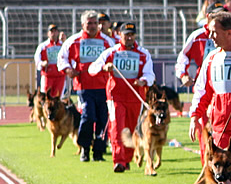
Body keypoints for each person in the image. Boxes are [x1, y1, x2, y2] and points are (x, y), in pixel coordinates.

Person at [189, 12, 231, 172]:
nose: (210, 36)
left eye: (214, 32)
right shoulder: (211, 59)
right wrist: (194, 116)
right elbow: (201, 91)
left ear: (229, 33)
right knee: (223, 175)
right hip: (221, 128)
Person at [88, 23, 155, 173]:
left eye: (132, 34)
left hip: (135, 97)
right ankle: (118, 160)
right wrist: (104, 68)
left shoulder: (144, 54)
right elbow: (92, 68)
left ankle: (127, 159)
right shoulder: (110, 53)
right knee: (117, 127)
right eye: (126, 35)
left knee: (131, 129)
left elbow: (150, 74)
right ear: (120, 35)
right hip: (115, 97)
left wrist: (143, 80)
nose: (129, 38)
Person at [58, 10, 115, 162]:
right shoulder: (74, 41)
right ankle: (84, 149)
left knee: (103, 119)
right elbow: (62, 58)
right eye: (89, 23)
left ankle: (99, 151)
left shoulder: (107, 42)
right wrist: (68, 69)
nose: (92, 26)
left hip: (104, 87)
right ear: (83, 24)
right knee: (88, 116)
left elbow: (116, 56)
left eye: (95, 23)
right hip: (84, 87)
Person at [176, 2, 224, 87]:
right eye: (217, 16)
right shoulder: (197, 36)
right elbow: (183, 55)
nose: (221, 19)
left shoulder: (230, 35)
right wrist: (183, 75)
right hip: (203, 84)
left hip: (225, 83)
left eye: (223, 16)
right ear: (208, 17)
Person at [34, 24, 66, 97]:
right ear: (48, 33)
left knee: (59, 97)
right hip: (48, 76)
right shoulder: (43, 46)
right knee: (46, 97)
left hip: (60, 76)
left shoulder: (63, 45)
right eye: (51, 32)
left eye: (55, 31)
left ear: (58, 33)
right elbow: (37, 59)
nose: (53, 34)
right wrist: (42, 63)